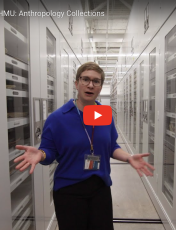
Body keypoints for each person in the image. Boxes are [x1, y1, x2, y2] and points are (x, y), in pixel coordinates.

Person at [14, 62, 155, 230]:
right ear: (76, 83)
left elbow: (110, 146)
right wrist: (41, 155)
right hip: (68, 190)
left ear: (101, 87)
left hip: (100, 188)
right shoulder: (59, 117)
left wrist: (129, 157)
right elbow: (49, 151)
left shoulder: (104, 115)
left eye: (96, 81)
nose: (90, 85)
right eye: (85, 79)